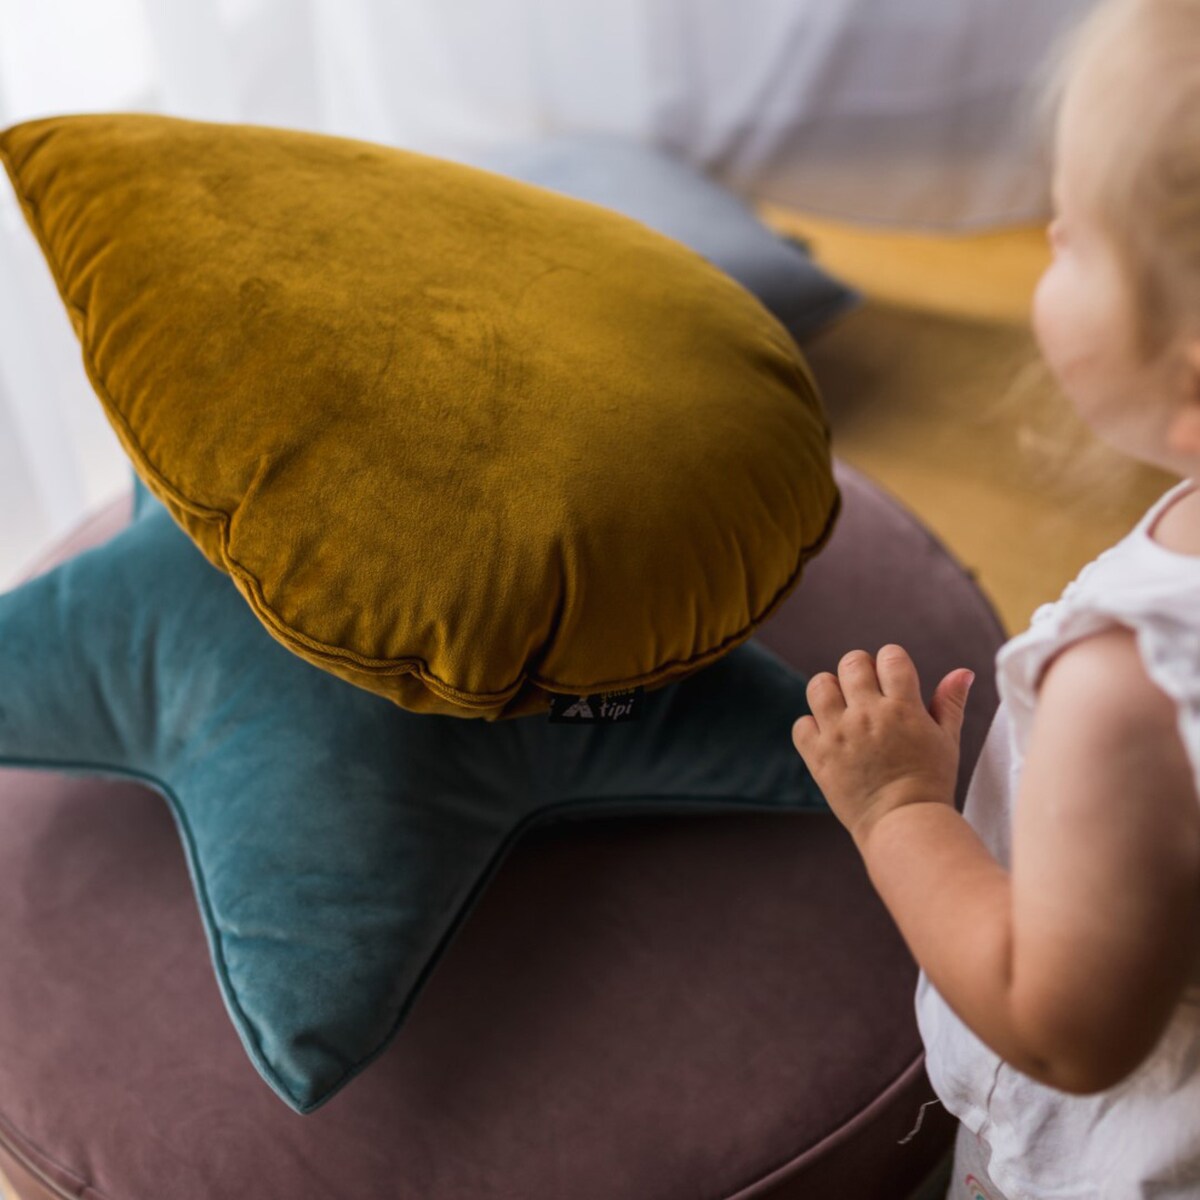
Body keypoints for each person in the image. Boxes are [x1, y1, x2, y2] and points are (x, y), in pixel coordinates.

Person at [790, 1, 1200, 1196]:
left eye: (1070, 234)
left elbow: (1062, 1025)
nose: (1048, 238)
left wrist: (900, 809)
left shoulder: (1133, 685)